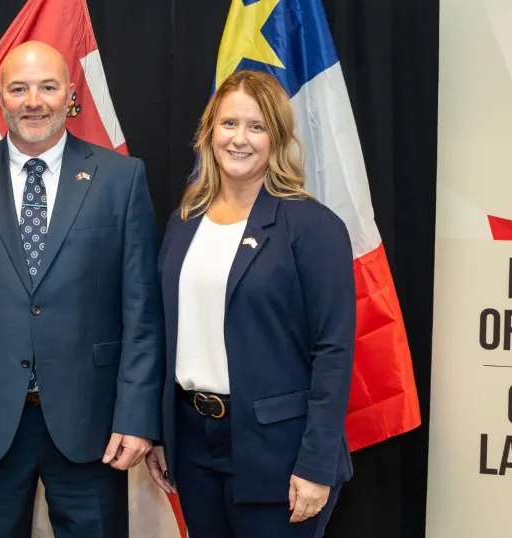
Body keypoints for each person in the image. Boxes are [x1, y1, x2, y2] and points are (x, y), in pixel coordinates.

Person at [0, 41, 164, 538]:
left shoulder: (121, 179)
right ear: (0, 97)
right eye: (19, 89)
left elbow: (142, 313)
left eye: (47, 87)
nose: (34, 101)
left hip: (94, 423)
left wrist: (137, 415)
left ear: (70, 93)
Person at [144, 69, 356, 538]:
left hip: (279, 455)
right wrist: (162, 433)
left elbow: (334, 353)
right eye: (229, 124)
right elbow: (166, 330)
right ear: (209, 131)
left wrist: (317, 464)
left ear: (277, 138)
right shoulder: (184, 221)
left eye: (256, 127)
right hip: (195, 446)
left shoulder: (312, 226)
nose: (240, 139)